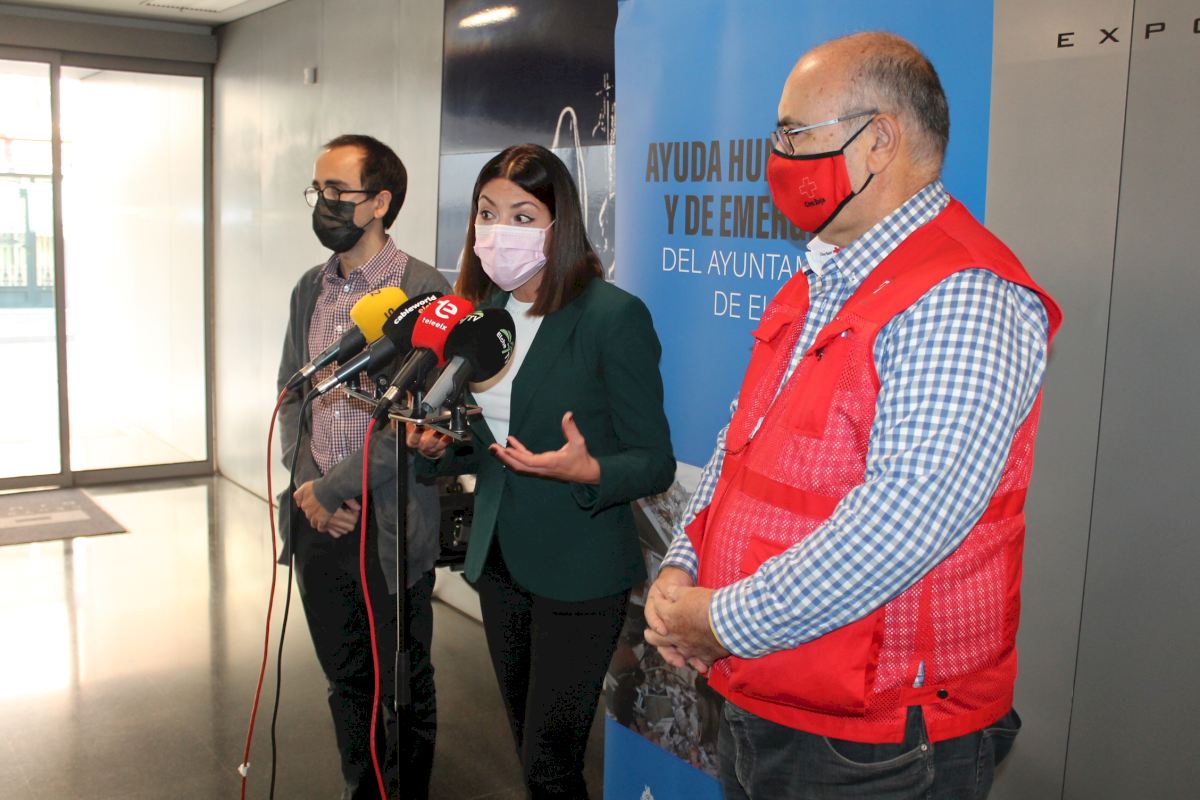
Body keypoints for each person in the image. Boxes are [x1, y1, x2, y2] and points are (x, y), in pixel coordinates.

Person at [644, 32, 1063, 799]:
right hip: (767, 691)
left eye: (793, 136)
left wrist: (722, 621)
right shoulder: (824, 277)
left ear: (878, 142)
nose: (776, 158)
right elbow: (741, 444)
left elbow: (904, 522)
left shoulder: (961, 294)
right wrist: (684, 566)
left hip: (874, 740)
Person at [409, 143, 674, 798]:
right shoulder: (481, 319)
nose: (499, 230)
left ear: (561, 226)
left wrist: (589, 471)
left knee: (551, 766)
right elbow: (489, 443)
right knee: (529, 753)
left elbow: (654, 462)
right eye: (487, 212)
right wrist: (441, 447)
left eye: (522, 216)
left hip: (580, 569)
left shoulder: (612, 317)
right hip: (500, 561)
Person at [276, 134, 450, 800]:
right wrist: (308, 488)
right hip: (318, 519)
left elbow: (416, 421)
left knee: (401, 685)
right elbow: (293, 395)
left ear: (379, 202)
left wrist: (334, 488)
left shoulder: (423, 291)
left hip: (388, 523)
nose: (322, 203)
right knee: (345, 679)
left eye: (336, 191)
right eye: (317, 189)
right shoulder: (310, 288)